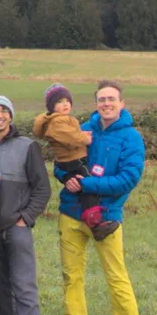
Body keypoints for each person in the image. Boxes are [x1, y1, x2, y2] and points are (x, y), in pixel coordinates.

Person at [56, 81, 145, 315]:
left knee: (116, 276)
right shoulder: (81, 130)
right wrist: (67, 178)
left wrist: (87, 184)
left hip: (106, 219)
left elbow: (128, 179)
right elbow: (61, 163)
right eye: (102, 99)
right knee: (72, 277)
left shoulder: (131, 138)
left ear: (122, 104)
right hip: (71, 214)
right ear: (96, 103)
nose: (106, 103)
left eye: (111, 99)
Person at [0, 96, 50, 315]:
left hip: (16, 228)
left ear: (10, 116)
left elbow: (42, 188)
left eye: (4, 111)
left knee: (24, 287)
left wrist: (26, 218)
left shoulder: (27, 146)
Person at [32, 85, 100, 234]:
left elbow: (70, 134)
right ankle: (94, 218)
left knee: (83, 184)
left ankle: (91, 215)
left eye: (67, 101)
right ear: (52, 107)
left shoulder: (61, 120)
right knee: (88, 183)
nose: (65, 104)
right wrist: (85, 139)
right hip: (73, 159)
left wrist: (81, 134)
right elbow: (70, 138)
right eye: (60, 101)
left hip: (69, 159)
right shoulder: (57, 121)